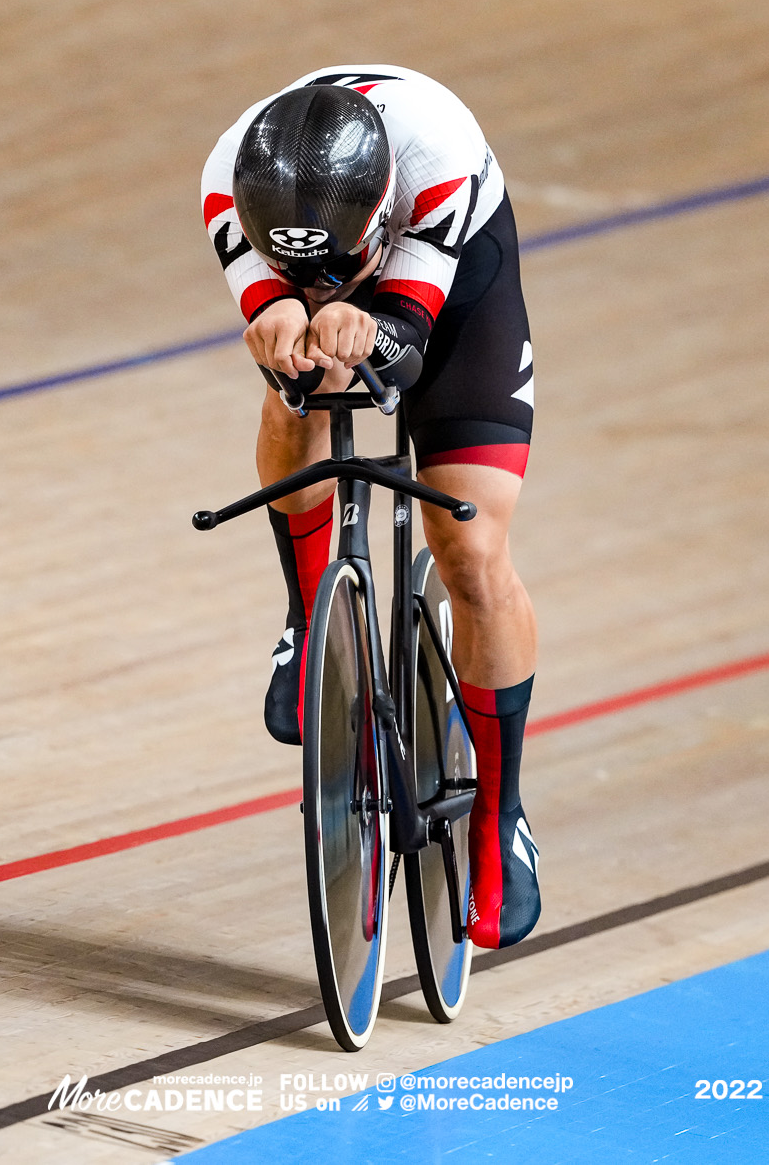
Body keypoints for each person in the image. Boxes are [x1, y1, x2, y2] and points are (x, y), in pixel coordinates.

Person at [199, 66, 541, 949]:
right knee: (295, 385)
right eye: (295, 268)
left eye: (331, 273)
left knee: (470, 546)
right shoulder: (226, 179)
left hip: (454, 289)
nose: (318, 289)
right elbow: (280, 311)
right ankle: (311, 614)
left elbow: (408, 346)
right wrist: (279, 317)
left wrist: (373, 327)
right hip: (336, 244)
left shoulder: (437, 166)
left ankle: (500, 819)